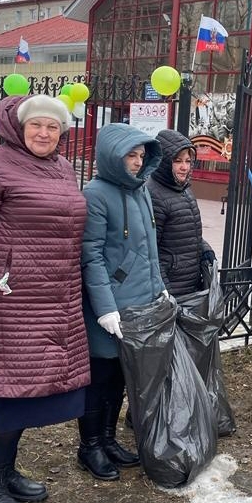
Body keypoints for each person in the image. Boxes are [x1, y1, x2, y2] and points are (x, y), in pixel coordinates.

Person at [0, 94, 89, 503]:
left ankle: (5, 471)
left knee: (30, 391)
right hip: (10, 303)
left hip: (56, 299)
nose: (44, 134)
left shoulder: (64, 169)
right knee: (9, 393)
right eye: (36, 126)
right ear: (18, 127)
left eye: (53, 127)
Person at [79, 123, 166, 481]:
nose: (136, 162)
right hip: (110, 309)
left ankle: (110, 440)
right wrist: (104, 309)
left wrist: (160, 288)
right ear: (113, 156)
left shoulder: (141, 191)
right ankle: (90, 447)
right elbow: (91, 256)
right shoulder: (95, 194)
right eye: (130, 155)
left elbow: (149, 248)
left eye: (141, 155)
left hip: (139, 307)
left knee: (120, 377)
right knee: (99, 378)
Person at [147, 129, 215, 298]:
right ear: (164, 161)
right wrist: (165, 291)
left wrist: (205, 249)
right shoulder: (154, 194)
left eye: (188, 161)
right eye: (177, 161)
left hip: (189, 285)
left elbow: (187, 233)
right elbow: (150, 250)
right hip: (171, 289)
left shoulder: (183, 188)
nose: (185, 167)